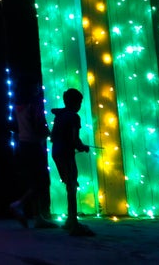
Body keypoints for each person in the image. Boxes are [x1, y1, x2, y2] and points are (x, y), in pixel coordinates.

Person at [49, 86, 95, 237]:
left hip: (56, 152)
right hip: (66, 154)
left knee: (70, 184)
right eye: (80, 103)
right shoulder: (74, 117)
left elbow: (53, 136)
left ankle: (70, 219)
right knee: (72, 186)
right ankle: (74, 223)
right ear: (75, 103)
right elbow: (75, 139)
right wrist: (82, 147)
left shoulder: (60, 116)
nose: (80, 106)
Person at [9, 78, 55, 228]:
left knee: (33, 180)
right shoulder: (34, 105)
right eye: (36, 86)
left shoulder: (17, 105)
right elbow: (39, 125)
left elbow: (14, 126)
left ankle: (37, 216)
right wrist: (49, 134)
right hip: (34, 145)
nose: (39, 89)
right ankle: (20, 204)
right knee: (42, 181)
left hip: (23, 144)